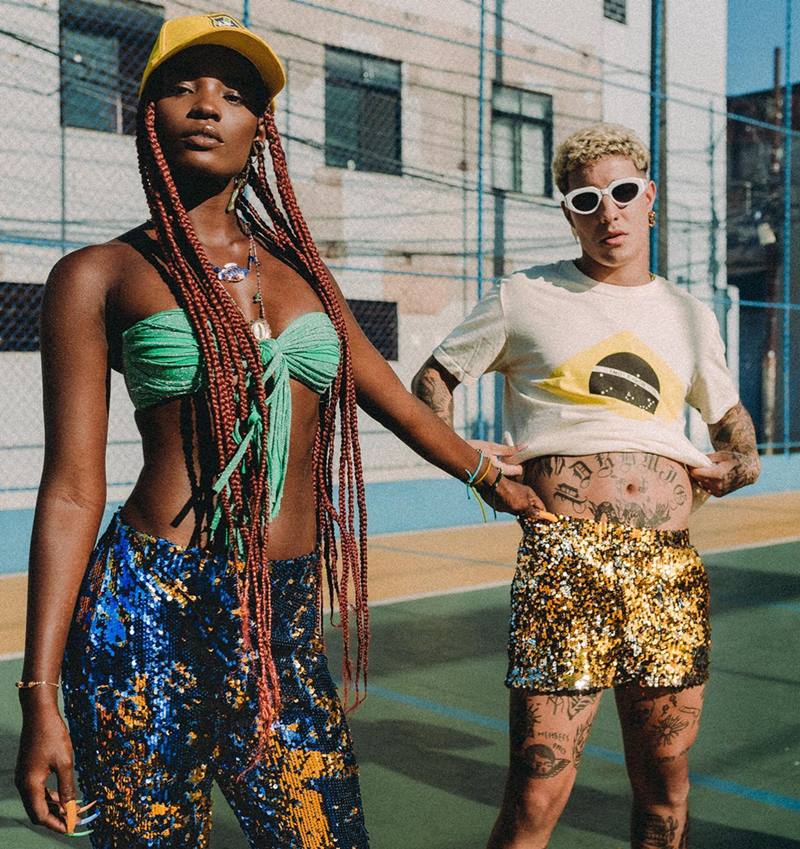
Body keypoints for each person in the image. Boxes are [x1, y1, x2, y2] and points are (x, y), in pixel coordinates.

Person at [14, 13, 541, 848]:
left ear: (262, 128)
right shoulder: (97, 274)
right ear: (145, 116)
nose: (205, 105)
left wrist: (497, 481)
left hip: (282, 616)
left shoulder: (304, 277)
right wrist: (38, 694)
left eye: (234, 92)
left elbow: (399, 406)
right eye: (181, 86)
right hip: (146, 607)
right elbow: (74, 489)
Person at [412, 123, 760, 849]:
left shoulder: (690, 315)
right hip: (565, 563)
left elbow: (732, 425)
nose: (611, 212)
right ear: (568, 211)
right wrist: (470, 460)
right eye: (587, 198)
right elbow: (432, 380)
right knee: (538, 793)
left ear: (650, 198)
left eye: (625, 193)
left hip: (667, 568)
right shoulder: (524, 296)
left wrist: (737, 463)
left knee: (665, 786)